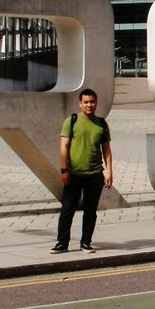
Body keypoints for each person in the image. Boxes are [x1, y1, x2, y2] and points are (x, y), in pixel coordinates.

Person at [52, 88, 113, 254]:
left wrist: (109, 172)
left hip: (94, 175)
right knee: (67, 209)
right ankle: (62, 243)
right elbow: (64, 146)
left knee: (90, 211)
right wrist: (64, 170)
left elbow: (106, 150)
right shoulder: (71, 121)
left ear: (96, 103)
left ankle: (86, 242)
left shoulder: (101, 123)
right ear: (80, 104)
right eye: (86, 102)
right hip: (74, 174)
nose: (89, 105)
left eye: (92, 101)